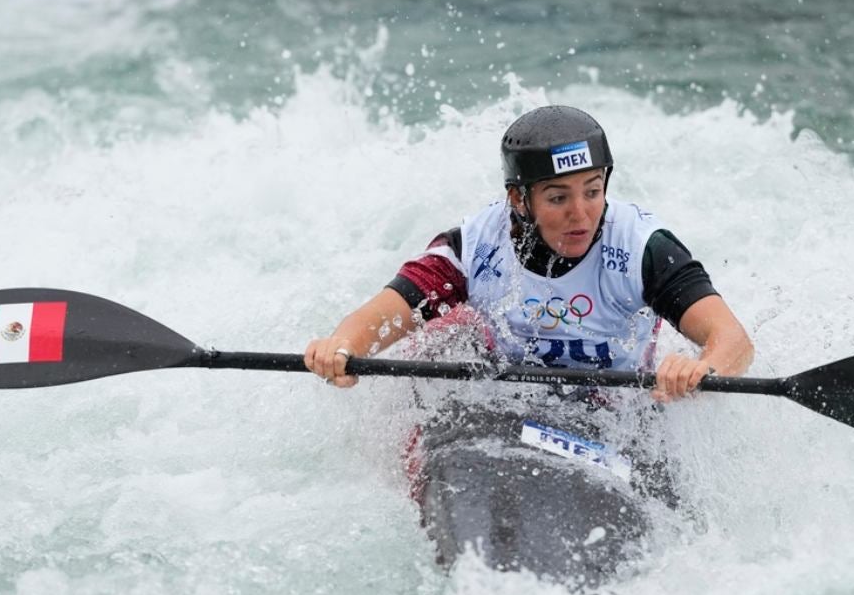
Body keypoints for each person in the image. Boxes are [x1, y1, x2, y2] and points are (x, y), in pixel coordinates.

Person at [305, 105, 754, 402]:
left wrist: (700, 369)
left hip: (618, 411)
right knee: (439, 338)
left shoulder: (644, 248)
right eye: (558, 198)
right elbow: (385, 312)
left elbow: (733, 340)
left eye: (593, 191)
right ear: (520, 200)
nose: (581, 214)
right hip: (507, 404)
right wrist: (344, 346)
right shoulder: (475, 244)